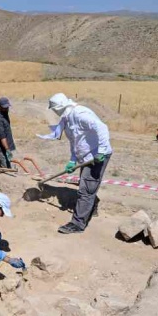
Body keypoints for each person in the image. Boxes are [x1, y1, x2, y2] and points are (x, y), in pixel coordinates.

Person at [47, 93, 113, 234]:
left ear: (59, 107)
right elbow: (75, 142)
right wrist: (72, 160)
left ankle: (77, 224)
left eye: (54, 109)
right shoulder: (67, 118)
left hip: (97, 156)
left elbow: (102, 128)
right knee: (88, 186)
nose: (54, 112)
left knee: (86, 189)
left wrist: (101, 151)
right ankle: (91, 208)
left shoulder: (80, 114)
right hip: (86, 156)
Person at [0, 97, 16, 168]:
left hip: (6, 150)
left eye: (7, 107)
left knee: (10, 170)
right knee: (6, 172)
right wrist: (7, 150)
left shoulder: (5, 114)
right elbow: (2, 136)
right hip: (2, 151)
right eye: (4, 107)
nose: (6, 109)